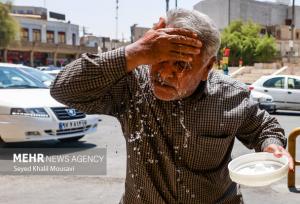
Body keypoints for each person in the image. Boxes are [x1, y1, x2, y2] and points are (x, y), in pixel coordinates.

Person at [50, 9, 293, 204]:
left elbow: (264, 127)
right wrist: (133, 53)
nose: (164, 73)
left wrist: (272, 146)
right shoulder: (131, 86)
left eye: (180, 64)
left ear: (208, 68)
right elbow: (63, 89)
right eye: (158, 58)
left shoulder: (231, 95)